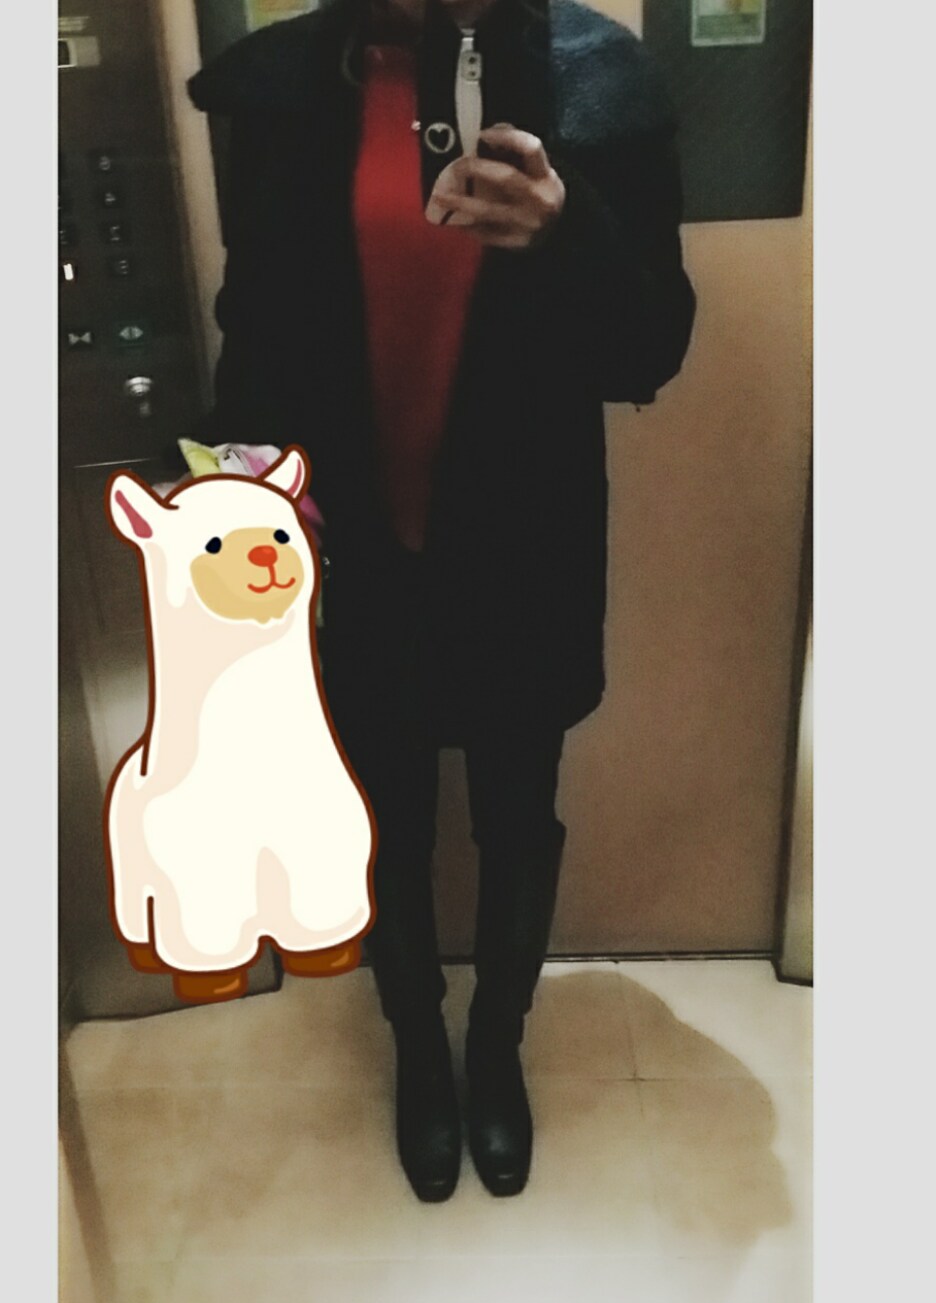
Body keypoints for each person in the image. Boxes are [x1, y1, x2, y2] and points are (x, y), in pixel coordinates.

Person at [188, 0, 695, 1202]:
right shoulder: (289, 85)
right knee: (384, 812)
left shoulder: (598, 83)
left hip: (524, 535)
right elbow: (253, 331)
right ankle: (420, 1045)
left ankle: (494, 1048)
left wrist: (565, 231)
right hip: (355, 538)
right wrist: (231, 515)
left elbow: (649, 350)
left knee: (518, 809)